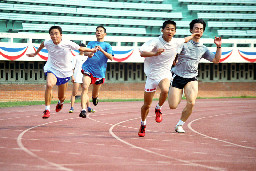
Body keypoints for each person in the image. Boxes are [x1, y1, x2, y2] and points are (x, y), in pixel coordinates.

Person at [138, 20, 201, 137]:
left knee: (166, 90)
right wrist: (155, 53)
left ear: (175, 32)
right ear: (162, 30)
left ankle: (158, 108)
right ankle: (143, 124)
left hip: (165, 73)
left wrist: (194, 35)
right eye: (167, 29)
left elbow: (186, 39)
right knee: (146, 105)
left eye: (172, 30)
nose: (170, 31)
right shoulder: (155, 41)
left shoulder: (176, 42)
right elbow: (142, 53)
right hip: (151, 76)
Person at [27, 26, 97, 119]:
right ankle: (47, 109)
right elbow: (42, 44)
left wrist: (92, 50)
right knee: (49, 84)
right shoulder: (48, 42)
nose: (54, 36)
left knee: (61, 96)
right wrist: (35, 53)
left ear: (61, 35)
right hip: (52, 68)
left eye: (56, 33)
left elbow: (81, 49)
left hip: (65, 72)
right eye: (51, 33)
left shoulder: (67, 43)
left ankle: (61, 102)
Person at [168, 19, 222, 133]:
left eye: (201, 29)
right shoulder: (184, 43)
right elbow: (173, 54)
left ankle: (179, 125)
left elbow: (216, 60)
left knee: (191, 102)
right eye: (196, 28)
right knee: (173, 105)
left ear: (203, 32)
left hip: (191, 78)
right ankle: (179, 92)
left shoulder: (203, 48)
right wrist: (174, 59)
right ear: (191, 30)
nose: (199, 31)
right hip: (177, 76)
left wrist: (218, 47)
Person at [79, 26, 113, 118]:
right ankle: (83, 110)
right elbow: (86, 53)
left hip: (99, 73)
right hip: (88, 69)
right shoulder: (91, 43)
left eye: (101, 31)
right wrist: (90, 53)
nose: (98, 32)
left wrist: (102, 51)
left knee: (94, 93)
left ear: (104, 34)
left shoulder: (107, 46)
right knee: (85, 87)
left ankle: (95, 98)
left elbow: (111, 57)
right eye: (97, 31)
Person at [69, 43, 95, 114]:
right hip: (77, 76)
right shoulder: (75, 57)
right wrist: (72, 76)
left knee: (85, 92)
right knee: (74, 92)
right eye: (81, 48)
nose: (82, 50)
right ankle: (71, 107)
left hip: (84, 76)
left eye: (83, 48)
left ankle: (88, 107)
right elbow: (72, 68)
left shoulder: (87, 57)